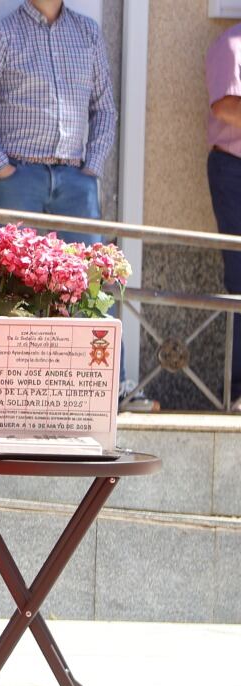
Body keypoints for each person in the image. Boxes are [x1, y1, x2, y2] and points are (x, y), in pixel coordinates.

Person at [0, 0, 154, 411]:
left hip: (75, 180)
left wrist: (92, 168)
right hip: (18, 178)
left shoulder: (86, 32)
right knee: (11, 282)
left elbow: (104, 108)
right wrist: (0, 168)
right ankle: (4, 390)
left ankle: (107, 390)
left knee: (92, 280)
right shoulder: (1, 34)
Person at [207, 21, 241, 408]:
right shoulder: (232, 44)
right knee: (240, 278)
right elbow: (226, 107)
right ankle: (238, 390)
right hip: (234, 170)